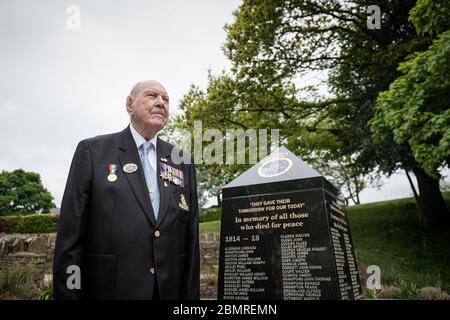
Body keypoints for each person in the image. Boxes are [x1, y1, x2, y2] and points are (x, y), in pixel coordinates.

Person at [53, 80, 200, 300]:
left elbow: (191, 242)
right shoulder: (92, 152)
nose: (161, 103)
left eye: (166, 99)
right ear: (129, 104)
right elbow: (70, 239)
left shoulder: (182, 161)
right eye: (152, 96)